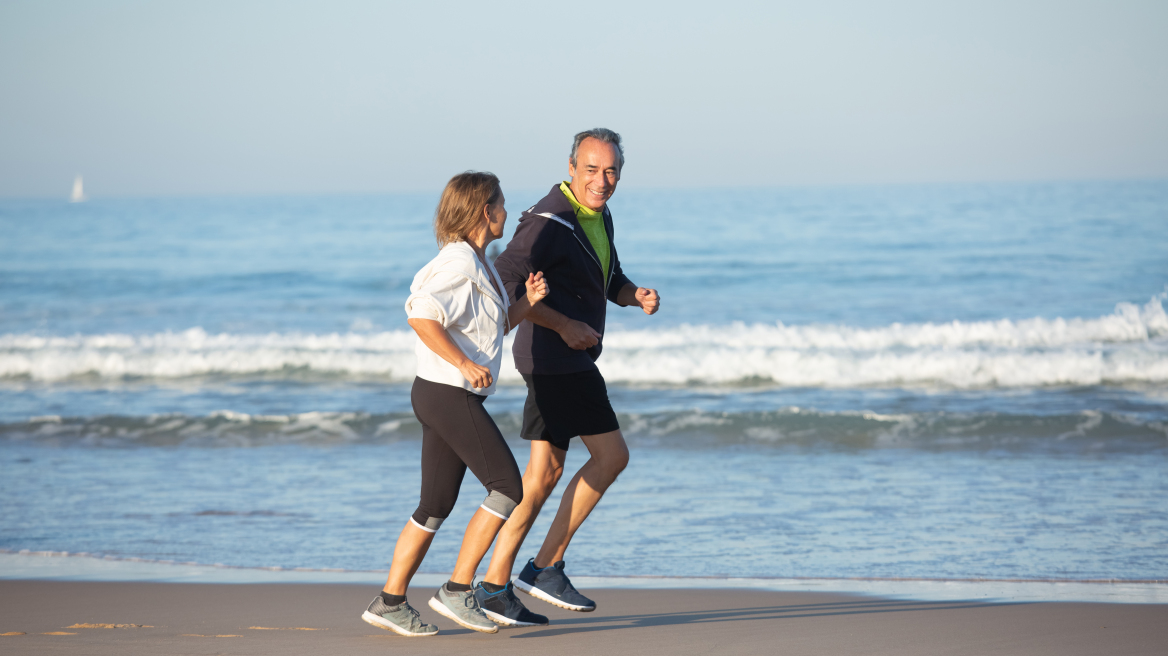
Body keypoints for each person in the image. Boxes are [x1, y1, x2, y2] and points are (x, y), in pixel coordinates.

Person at [474, 128, 660, 622]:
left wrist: (631, 294)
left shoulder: (595, 216)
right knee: (612, 456)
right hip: (556, 360)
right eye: (593, 170)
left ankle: (494, 584)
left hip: (557, 360)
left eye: (612, 171)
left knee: (542, 476)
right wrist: (562, 323)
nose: (603, 180)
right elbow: (507, 276)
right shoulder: (549, 220)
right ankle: (546, 565)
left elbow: (607, 277)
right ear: (572, 168)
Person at [360, 171, 550, 637]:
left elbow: (494, 328)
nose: (507, 211)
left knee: (435, 504)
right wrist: (464, 365)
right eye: (502, 204)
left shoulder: (478, 263)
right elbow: (420, 314)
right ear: (486, 210)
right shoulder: (458, 265)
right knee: (508, 487)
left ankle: (389, 602)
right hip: (448, 392)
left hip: (436, 392)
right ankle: (458, 589)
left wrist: (526, 302)